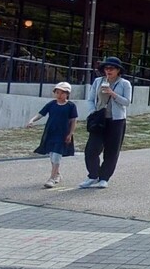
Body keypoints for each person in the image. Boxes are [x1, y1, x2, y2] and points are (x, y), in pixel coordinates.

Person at [80, 56, 131, 188]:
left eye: (111, 68)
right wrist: (93, 112)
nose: (108, 71)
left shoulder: (124, 84)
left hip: (116, 120)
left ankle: (104, 177)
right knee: (91, 149)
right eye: (106, 68)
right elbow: (90, 99)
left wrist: (112, 93)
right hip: (99, 119)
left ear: (118, 70)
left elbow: (127, 102)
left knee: (112, 151)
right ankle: (93, 175)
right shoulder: (98, 81)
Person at [27, 82, 78, 188]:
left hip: (62, 134)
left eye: (62, 93)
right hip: (50, 133)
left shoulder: (71, 106)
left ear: (67, 94)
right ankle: (57, 174)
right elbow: (41, 114)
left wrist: (70, 134)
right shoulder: (51, 104)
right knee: (51, 154)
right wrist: (32, 120)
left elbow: (73, 121)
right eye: (57, 92)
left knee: (56, 156)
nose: (59, 95)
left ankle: (52, 178)